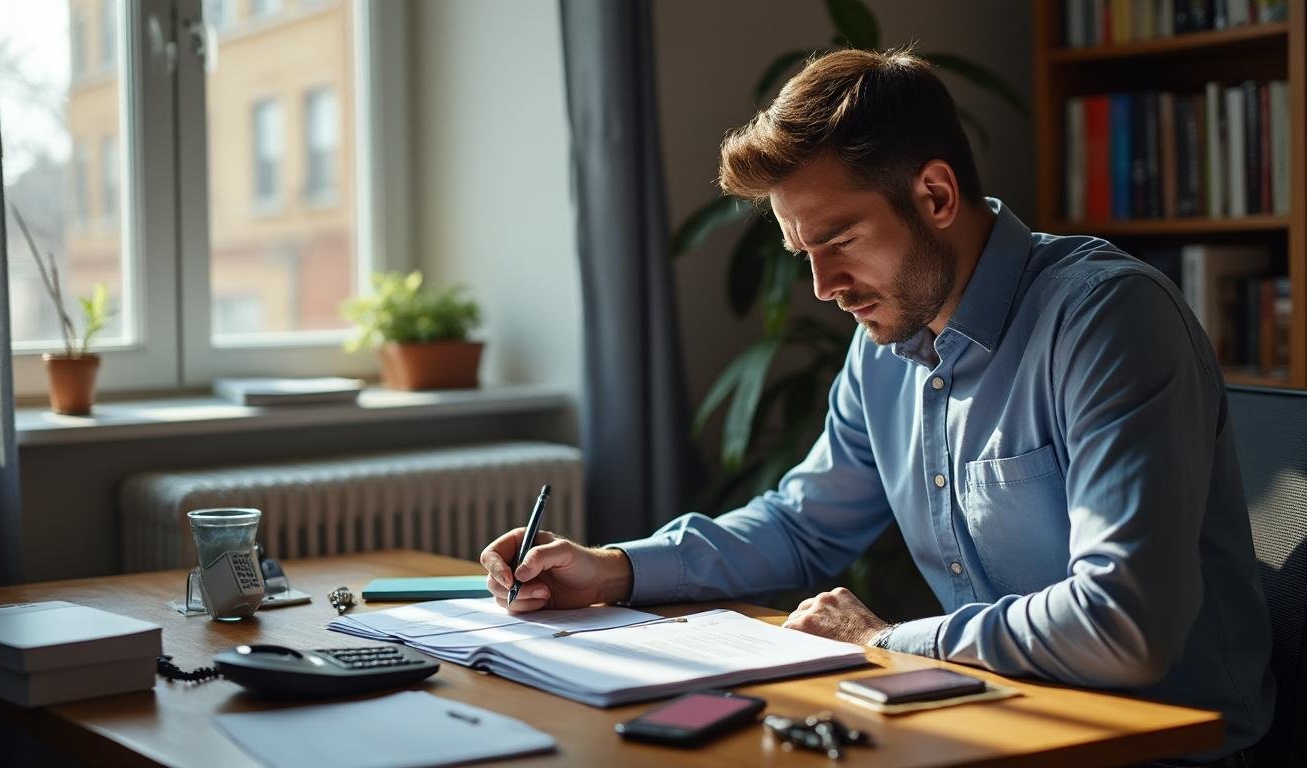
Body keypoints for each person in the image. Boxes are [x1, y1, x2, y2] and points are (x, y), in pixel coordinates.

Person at [479, 47, 1273, 764]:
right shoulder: (888, 342)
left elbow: (1121, 624)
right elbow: (802, 524)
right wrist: (613, 571)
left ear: (934, 195)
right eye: (803, 255)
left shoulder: (1107, 320)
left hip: (1164, 746)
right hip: (998, 722)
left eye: (839, 241)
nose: (822, 288)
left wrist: (886, 640)